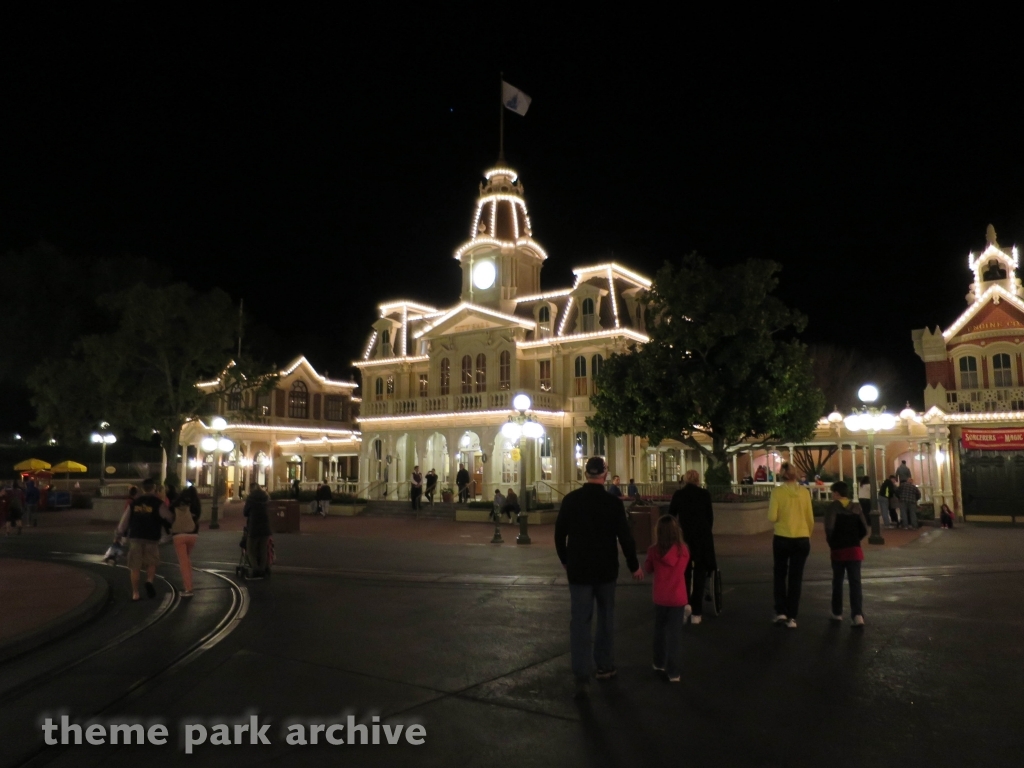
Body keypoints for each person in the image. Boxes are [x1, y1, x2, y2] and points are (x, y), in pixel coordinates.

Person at [555, 456, 643, 699]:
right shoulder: (612, 503)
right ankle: (604, 665)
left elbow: (559, 533)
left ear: (586, 473)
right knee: (605, 618)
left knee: (580, 621)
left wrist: (565, 559)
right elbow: (625, 537)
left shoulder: (571, 500)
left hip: (579, 570)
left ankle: (582, 674)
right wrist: (633, 564)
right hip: (605, 570)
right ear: (605, 474)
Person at [768, 462, 815, 628]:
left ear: (782, 474)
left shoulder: (777, 492)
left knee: (780, 575)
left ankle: (780, 611)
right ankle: (792, 616)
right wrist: (806, 533)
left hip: (782, 536)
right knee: (796, 577)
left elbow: (772, 517)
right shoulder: (804, 493)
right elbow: (810, 518)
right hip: (802, 537)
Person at [643, 515, 690, 682]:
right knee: (675, 635)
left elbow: (648, 568)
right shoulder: (683, 551)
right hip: (677, 597)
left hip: (661, 597)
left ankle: (659, 662)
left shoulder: (653, 551)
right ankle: (674, 672)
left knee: (659, 631)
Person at [669, 469, 716, 625]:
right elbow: (710, 518)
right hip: (702, 538)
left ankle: (685, 605)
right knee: (700, 574)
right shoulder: (705, 495)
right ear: (698, 480)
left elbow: (671, 516)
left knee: (685, 572)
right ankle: (697, 612)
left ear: (685, 479)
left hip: (685, 538)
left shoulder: (679, 495)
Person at [115, 478, 171, 600]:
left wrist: (119, 534)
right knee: (152, 562)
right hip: (152, 538)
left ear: (142, 489)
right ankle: (149, 581)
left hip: (135, 537)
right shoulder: (158, 503)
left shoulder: (134, 503)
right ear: (154, 488)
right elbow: (168, 518)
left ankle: (135, 593)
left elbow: (124, 521)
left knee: (135, 566)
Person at [824, 481, 868, 626]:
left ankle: (837, 612)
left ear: (836, 493)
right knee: (855, 582)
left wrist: (832, 543)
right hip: (854, 549)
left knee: (838, 581)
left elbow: (829, 528)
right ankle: (857, 615)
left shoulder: (833, 508)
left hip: (838, 549)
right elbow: (864, 529)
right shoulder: (856, 507)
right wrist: (855, 539)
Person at [170, 484, 202, 597]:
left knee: (183, 562)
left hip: (178, 535)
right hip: (192, 534)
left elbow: (170, 513)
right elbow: (197, 516)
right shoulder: (196, 504)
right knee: (186, 559)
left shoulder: (177, 503)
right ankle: (189, 585)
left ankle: (188, 588)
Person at [243, 482, 272, 578]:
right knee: (263, 549)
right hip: (265, 526)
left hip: (254, 526)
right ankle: (263, 569)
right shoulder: (266, 497)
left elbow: (245, 512)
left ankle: (255, 569)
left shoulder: (251, 498)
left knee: (250, 549)